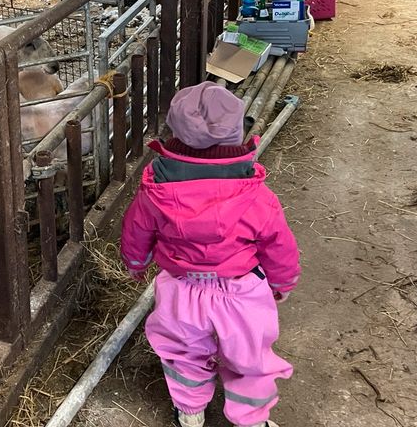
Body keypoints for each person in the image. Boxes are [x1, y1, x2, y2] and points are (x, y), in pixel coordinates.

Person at [120, 82, 300, 427]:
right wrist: (282, 281)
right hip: (242, 291)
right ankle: (250, 419)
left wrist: (136, 264)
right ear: (236, 134)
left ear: (175, 132)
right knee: (250, 357)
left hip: (181, 289)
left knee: (183, 353)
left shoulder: (155, 191)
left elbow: (136, 231)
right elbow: (278, 243)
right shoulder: (257, 196)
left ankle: (190, 412)